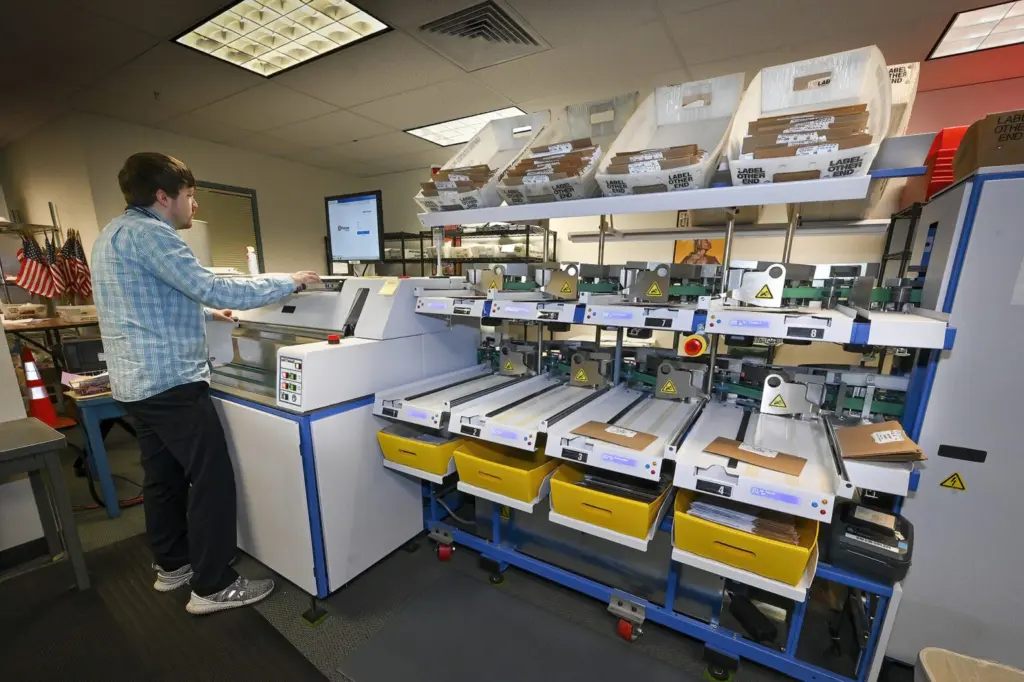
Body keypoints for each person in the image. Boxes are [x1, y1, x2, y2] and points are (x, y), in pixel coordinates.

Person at [91, 152, 320, 615]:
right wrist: (290, 282)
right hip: (171, 382)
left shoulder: (112, 234)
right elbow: (216, 287)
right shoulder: (155, 236)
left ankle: (173, 565)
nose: (194, 206)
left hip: (136, 382)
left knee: (163, 478)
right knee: (211, 476)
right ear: (163, 196)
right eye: (190, 196)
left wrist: (204, 313)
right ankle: (214, 583)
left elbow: (145, 302)